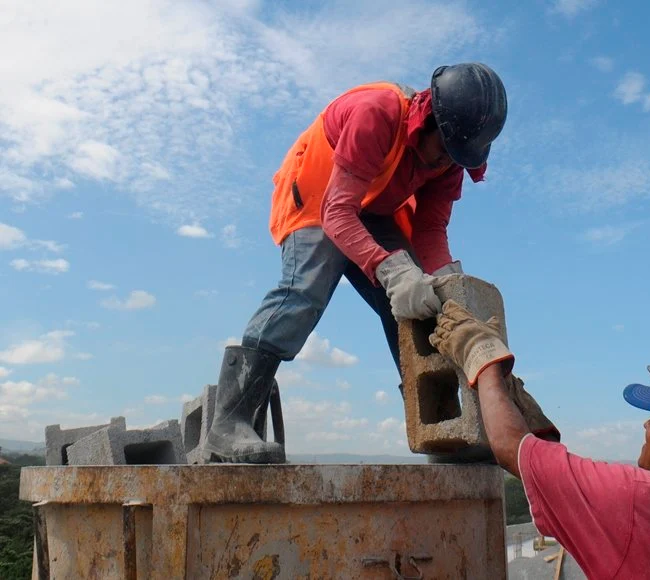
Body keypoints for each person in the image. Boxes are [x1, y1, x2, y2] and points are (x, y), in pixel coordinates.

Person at [203, 63, 508, 464]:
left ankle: (442, 431)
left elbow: (430, 231)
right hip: (319, 199)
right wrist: (391, 270)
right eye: (445, 151)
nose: (445, 163)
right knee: (306, 290)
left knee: (418, 306)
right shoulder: (376, 114)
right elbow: (337, 214)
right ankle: (230, 423)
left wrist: (448, 284)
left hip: (370, 208)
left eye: (457, 157)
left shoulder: (450, 159)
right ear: (431, 122)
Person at [429, 300, 650, 579]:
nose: (646, 426)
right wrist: (520, 409)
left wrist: (480, 354)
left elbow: (511, 448)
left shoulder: (645, 500)